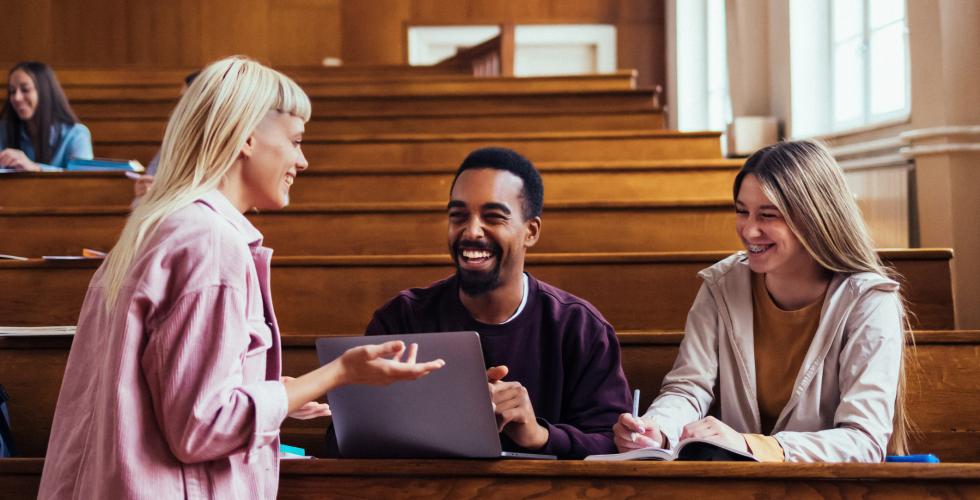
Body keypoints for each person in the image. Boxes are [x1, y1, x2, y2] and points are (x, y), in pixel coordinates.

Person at [37, 57, 444, 499]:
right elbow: (201, 428)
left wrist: (277, 394)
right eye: (295, 140)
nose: (302, 160)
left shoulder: (153, 229)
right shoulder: (210, 243)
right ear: (246, 136)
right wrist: (338, 373)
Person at [613, 140, 909, 462]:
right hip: (734, 481)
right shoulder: (721, 285)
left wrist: (754, 445)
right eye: (742, 212)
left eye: (768, 216)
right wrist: (658, 430)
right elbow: (689, 389)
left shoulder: (868, 301)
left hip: (824, 484)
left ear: (815, 218)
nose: (749, 230)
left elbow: (864, 440)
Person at [333, 147, 632, 459]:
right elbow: (343, 439)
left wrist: (538, 435)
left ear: (530, 232)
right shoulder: (400, 320)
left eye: (493, 217)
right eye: (458, 216)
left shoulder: (581, 327)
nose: (472, 231)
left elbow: (614, 445)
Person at [0, 61, 92, 171]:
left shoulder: (76, 134)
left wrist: (35, 168)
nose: (17, 98)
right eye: (12, 91)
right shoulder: (3, 130)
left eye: (25, 89)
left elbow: (83, 178)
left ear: (45, 92)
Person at [132, 69, 201, 205]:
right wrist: (143, 192)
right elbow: (139, 200)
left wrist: (164, 192)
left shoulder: (219, 144)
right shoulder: (173, 141)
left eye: (185, 100)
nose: (178, 109)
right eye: (180, 100)